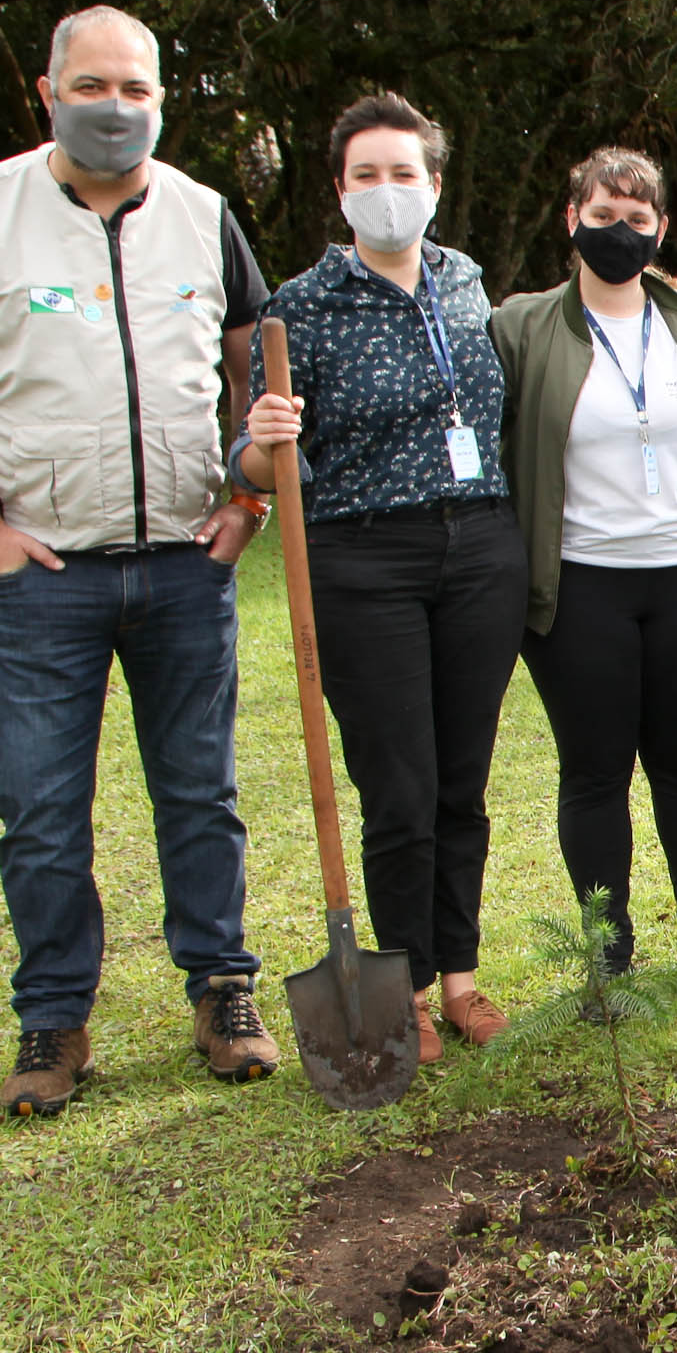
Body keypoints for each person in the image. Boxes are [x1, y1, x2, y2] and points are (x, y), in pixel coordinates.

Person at [0, 4, 280, 1116]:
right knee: (42, 808)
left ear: (163, 98)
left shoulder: (205, 216)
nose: (116, 108)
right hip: (45, 580)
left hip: (186, 569)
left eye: (137, 90)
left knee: (200, 793)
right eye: (94, 86)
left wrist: (246, 501)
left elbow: (261, 377)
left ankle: (222, 987)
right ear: (50, 92)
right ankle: (55, 1016)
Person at [236, 92, 521, 1064]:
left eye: (406, 174)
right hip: (363, 560)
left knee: (461, 780)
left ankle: (461, 980)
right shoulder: (299, 308)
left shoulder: (465, 282)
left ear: (434, 185)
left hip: (481, 544)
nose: (388, 191)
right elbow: (255, 455)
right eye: (368, 174)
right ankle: (395, 990)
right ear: (340, 189)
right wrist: (260, 442)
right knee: (398, 785)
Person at [492, 147, 677, 997]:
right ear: (571, 219)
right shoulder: (522, 328)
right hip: (580, 583)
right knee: (595, 772)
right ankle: (606, 955)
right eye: (603, 216)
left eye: (638, 220)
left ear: (660, 230)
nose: (621, 233)